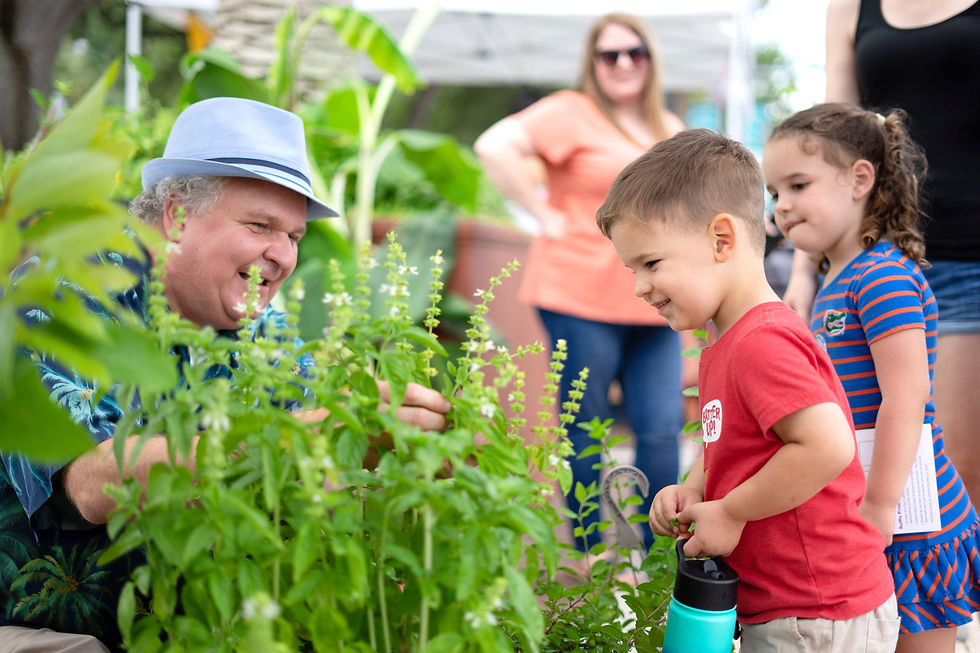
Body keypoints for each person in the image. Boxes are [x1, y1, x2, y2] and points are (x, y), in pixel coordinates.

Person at [0, 97, 451, 652]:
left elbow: (316, 468)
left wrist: (395, 456)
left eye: (294, 236)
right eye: (260, 225)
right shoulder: (65, 292)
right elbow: (92, 484)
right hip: (49, 629)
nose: (283, 256)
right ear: (176, 216)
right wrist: (294, 441)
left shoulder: (267, 334)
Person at [598, 128, 900, 652]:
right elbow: (732, 442)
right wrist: (696, 488)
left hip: (816, 609)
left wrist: (731, 511)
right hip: (791, 605)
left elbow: (828, 445)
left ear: (722, 239)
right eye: (632, 269)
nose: (640, 286)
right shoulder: (728, 340)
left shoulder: (762, 342)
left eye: (651, 263)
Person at [764, 102, 980, 652]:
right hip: (870, 511)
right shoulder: (837, 280)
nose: (782, 206)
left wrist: (881, 505)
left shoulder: (881, 276)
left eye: (798, 185)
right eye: (774, 192)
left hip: (911, 518)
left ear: (860, 179)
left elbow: (907, 398)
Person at [473, 12, 686, 552]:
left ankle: (659, 560)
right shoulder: (571, 111)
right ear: (592, 63)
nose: (622, 63)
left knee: (662, 428)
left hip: (657, 300)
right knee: (585, 427)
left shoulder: (669, 126)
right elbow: (493, 146)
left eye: (634, 52)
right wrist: (543, 215)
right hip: (578, 294)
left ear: (651, 59)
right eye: (608, 54)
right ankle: (590, 555)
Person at [782, 0, 980, 510]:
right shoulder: (850, 7)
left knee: (958, 468)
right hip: (873, 261)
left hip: (970, 260)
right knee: (868, 453)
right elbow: (827, 137)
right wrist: (805, 271)